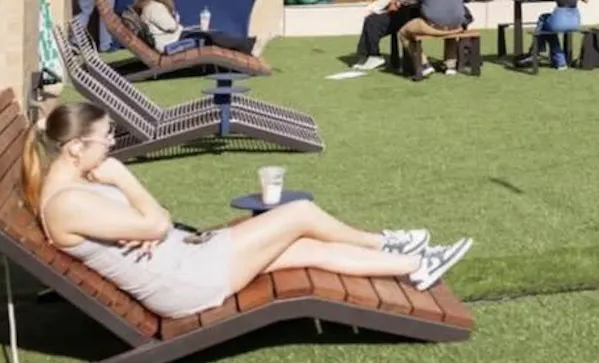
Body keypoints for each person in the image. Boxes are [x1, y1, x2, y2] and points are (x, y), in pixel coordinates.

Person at [23, 102, 474, 318]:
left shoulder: (77, 184)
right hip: (184, 282)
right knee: (297, 215)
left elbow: (157, 219)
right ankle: (387, 241)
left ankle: (413, 264)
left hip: (184, 255)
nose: (113, 145)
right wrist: (126, 182)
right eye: (107, 139)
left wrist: (150, 226)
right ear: (77, 147)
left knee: (302, 248)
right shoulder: (68, 203)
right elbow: (157, 219)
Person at [396, 0, 474, 80]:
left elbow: (412, 1)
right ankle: (450, 66)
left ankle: (425, 64)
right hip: (457, 26)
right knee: (451, 24)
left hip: (431, 26)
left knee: (403, 33)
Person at [133, 0, 255, 56]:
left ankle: (245, 46)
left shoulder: (148, 6)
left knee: (212, 35)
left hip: (171, 39)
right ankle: (248, 45)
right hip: (172, 42)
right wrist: (175, 21)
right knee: (213, 35)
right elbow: (171, 27)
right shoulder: (154, 7)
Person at [354, 0, 422, 71]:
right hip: (402, 11)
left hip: (409, 13)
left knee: (373, 22)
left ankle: (373, 55)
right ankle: (365, 56)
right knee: (371, 19)